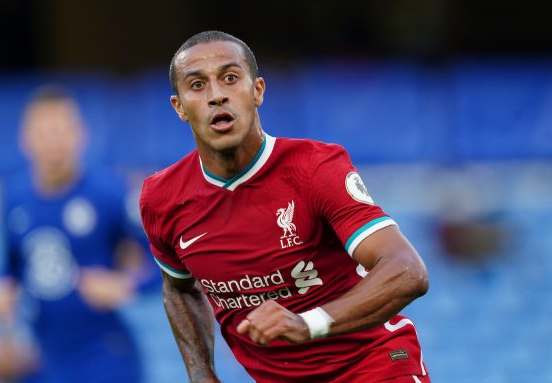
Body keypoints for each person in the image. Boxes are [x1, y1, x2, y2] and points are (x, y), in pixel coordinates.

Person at [140, 30, 431, 383]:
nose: (217, 96)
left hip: (374, 364)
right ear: (180, 107)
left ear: (257, 90)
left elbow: (407, 271)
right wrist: (201, 372)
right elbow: (178, 287)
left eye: (230, 78)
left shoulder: (315, 168)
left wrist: (307, 322)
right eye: (197, 85)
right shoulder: (162, 198)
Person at [0, 85, 151, 383]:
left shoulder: (109, 191)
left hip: (105, 357)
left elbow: (164, 263)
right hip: (42, 359)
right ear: (25, 139)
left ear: (81, 134)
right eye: (44, 132)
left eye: (61, 130)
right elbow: (14, 265)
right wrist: (4, 287)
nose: (53, 141)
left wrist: (125, 283)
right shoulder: (14, 196)